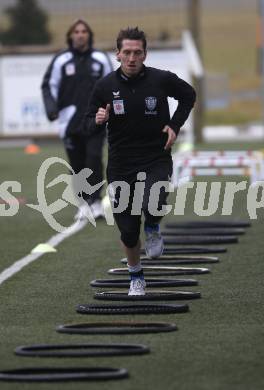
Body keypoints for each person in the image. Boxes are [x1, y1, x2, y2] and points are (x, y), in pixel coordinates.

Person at [84, 27, 196, 295]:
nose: (132, 58)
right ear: (117, 54)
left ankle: (154, 227)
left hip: (155, 157)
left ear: (145, 54)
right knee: (128, 230)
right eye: (127, 52)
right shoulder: (105, 86)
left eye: (137, 52)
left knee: (153, 200)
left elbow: (189, 95)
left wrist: (174, 125)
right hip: (121, 163)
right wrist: (97, 120)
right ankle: (136, 277)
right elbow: (87, 125)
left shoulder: (160, 80)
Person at [41, 19, 113, 219]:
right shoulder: (61, 60)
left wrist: (110, 111)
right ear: (71, 35)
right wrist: (52, 109)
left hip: (95, 121)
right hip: (69, 122)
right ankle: (83, 202)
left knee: (94, 159)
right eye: (77, 31)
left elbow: (112, 85)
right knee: (77, 163)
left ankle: (96, 201)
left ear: (89, 35)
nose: (80, 35)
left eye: (84, 31)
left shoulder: (100, 58)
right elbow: (48, 86)